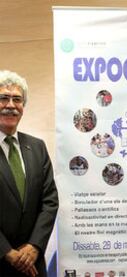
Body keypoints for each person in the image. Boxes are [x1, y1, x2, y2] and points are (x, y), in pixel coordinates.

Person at [0, 70, 59, 276]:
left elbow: (50, 201)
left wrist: (35, 246)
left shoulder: (37, 147)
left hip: (32, 266)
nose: (10, 105)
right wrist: (6, 251)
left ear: (23, 106)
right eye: (3, 98)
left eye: (17, 99)